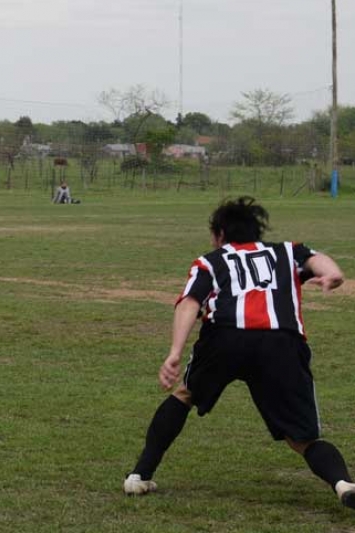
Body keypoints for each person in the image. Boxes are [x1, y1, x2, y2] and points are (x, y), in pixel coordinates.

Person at [123, 196, 355, 510]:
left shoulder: (211, 261)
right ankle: (343, 484)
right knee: (302, 439)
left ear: (220, 234)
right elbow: (317, 259)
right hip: (281, 344)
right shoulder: (286, 251)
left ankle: (139, 475)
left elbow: (190, 303)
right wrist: (335, 274)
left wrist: (175, 352)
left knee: (185, 395)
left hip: (225, 339)